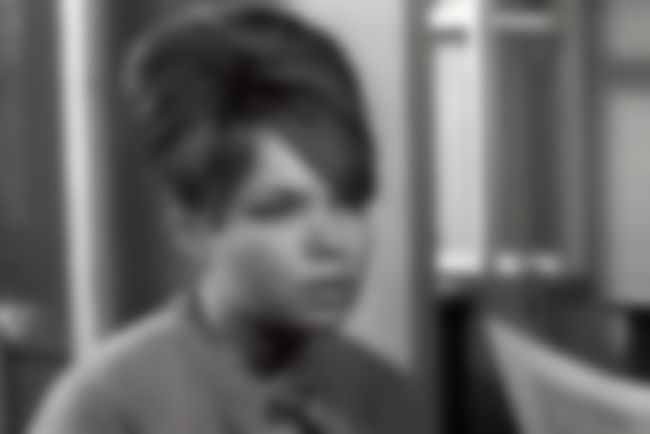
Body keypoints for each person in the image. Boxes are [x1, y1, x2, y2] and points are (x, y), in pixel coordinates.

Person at [30, 3, 420, 433]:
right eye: (280, 209)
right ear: (190, 228)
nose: (332, 244)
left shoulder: (388, 397)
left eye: (349, 201)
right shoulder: (105, 407)